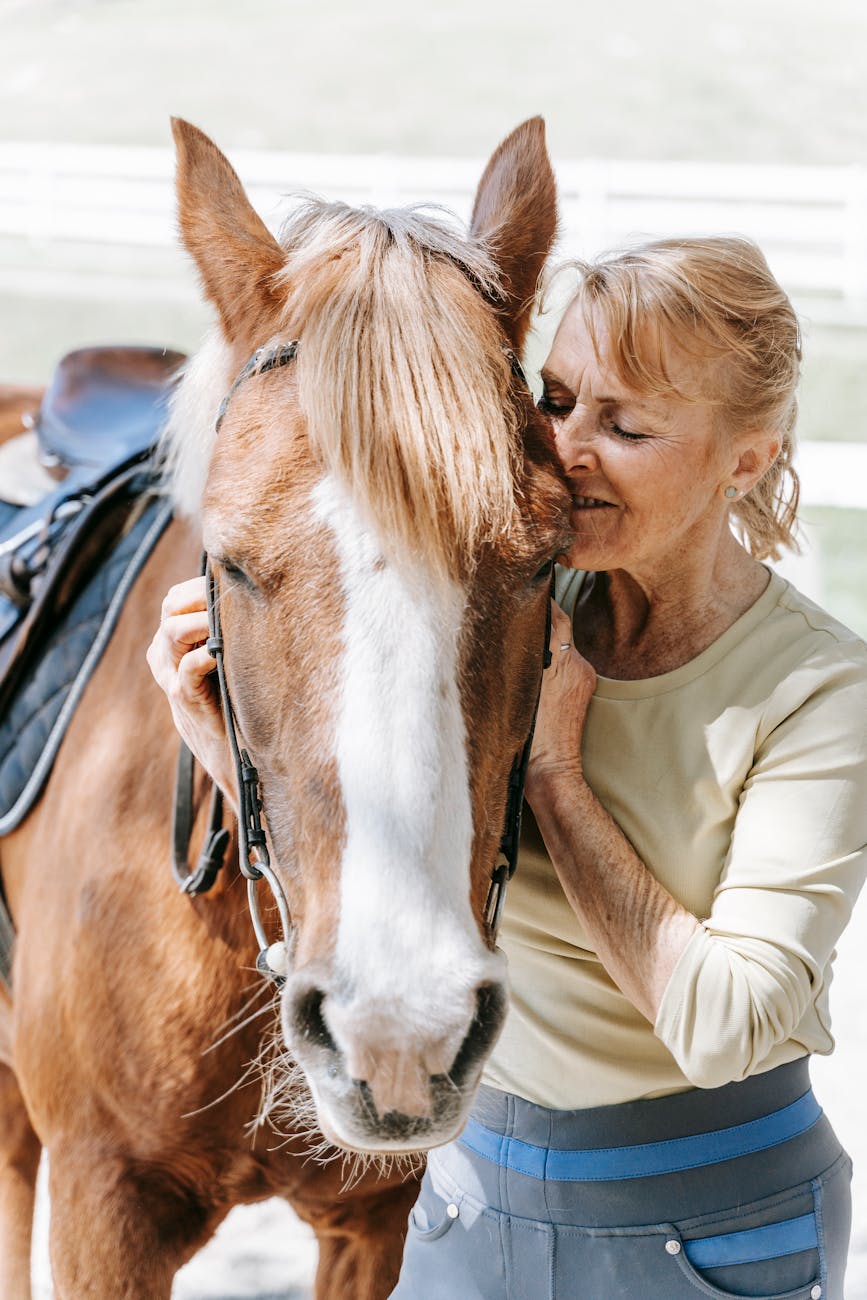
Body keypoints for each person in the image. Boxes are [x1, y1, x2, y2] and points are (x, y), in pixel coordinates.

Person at [149, 236, 867, 1299]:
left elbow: (728, 1025)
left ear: (746, 459)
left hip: (709, 1223)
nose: (570, 447)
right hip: (466, 1206)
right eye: (558, 396)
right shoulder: (508, 610)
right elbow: (387, 853)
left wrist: (556, 781)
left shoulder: (822, 690)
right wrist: (211, 727)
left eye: (625, 425)